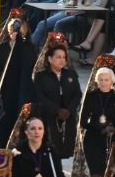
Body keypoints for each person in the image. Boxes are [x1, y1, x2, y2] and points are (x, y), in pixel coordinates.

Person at [0, 11, 35, 146]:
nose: (16, 34)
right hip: (4, 89)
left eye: (20, 31)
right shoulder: (3, 48)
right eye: (14, 31)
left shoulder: (29, 49)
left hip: (21, 88)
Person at [76, 59, 115, 177]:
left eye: (106, 80)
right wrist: (98, 128)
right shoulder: (91, 95)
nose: (103, 83)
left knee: (107, 174)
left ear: (112, 81)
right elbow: (83, 120)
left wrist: (112, 128)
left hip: (110, 139)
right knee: (95, 174)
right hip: (92, 138)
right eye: (100, 80)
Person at [32, 33, 82, 169]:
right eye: (58, 57)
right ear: (49, 59)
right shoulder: (41, 76)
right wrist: (56, 110)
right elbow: (40, 97)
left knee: (64, 151)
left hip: (68, 118)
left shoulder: (70, 75)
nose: (61, 60)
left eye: (64, 57)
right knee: (50, 149)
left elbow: (77, 94)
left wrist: (69, 110)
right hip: (49, 117)